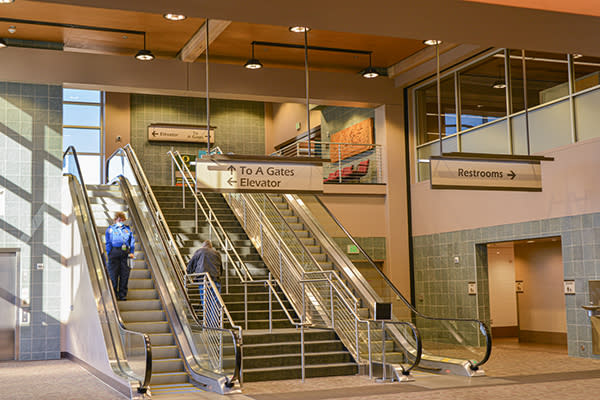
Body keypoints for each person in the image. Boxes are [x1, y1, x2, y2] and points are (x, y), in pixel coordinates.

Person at [105, 211, 135, 301]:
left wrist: (132, 252)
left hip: (125, 252)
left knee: (124, 274)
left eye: (122, 219)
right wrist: (109, 252)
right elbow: (108, 242)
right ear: (115, 220)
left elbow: (131, 241)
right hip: (114, 252)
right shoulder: (110, 229)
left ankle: (122, 294)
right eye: (119, 219)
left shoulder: (127, 229)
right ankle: (114, 294)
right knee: (113, 274)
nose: (120, 220)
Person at [186, 240, 223, 312]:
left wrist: (189, 273)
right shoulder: (217, 253)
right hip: (215, 280)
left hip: (203, 280)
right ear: (211, 247)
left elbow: (190, 266)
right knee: (215, 303)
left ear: (203, 246)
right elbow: (221, 269)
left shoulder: (200, 251)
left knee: (205, 302)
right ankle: (214, 322)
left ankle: (207, 322)